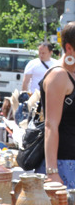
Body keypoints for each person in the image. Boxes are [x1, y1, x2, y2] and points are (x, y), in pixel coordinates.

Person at [38, 23, 75, 187]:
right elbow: (50, 125)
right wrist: (52, 173)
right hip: (64, 165)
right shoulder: (59, 75)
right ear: (69, 48)